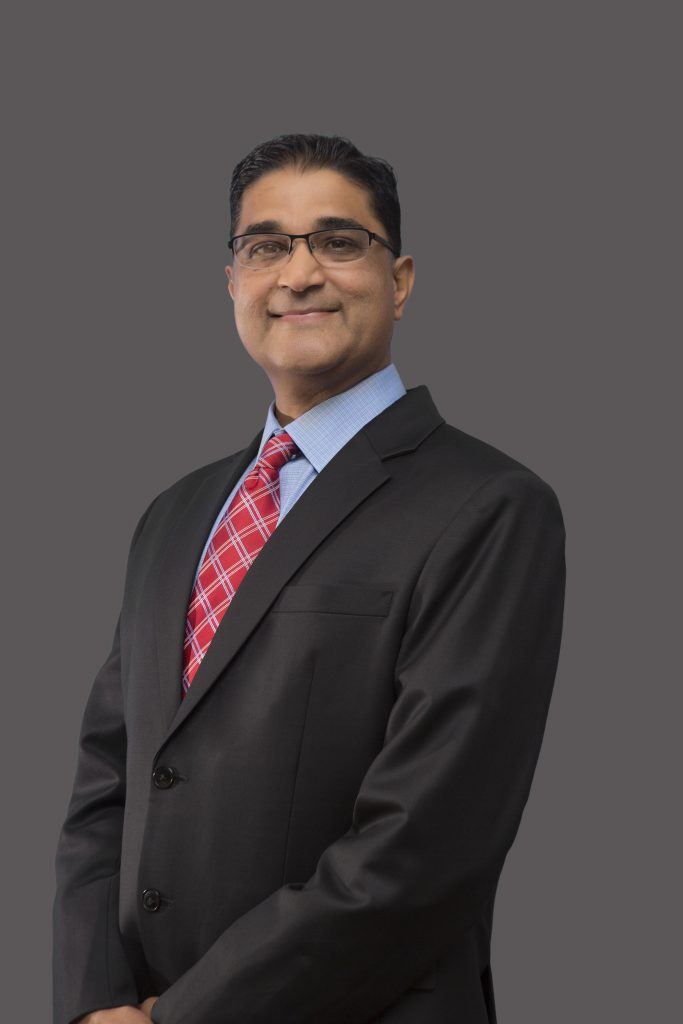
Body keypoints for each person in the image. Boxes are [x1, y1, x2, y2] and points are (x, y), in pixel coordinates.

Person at [53, 133, 566, 1024]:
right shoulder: (173, 514)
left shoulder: (489, 506)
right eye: (265, 247)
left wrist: (185, 1018)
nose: (298, 274)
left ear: (398, 280)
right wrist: (95, 1002)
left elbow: (425, 843)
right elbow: (108, 782)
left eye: (336, 241)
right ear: (232, 284)